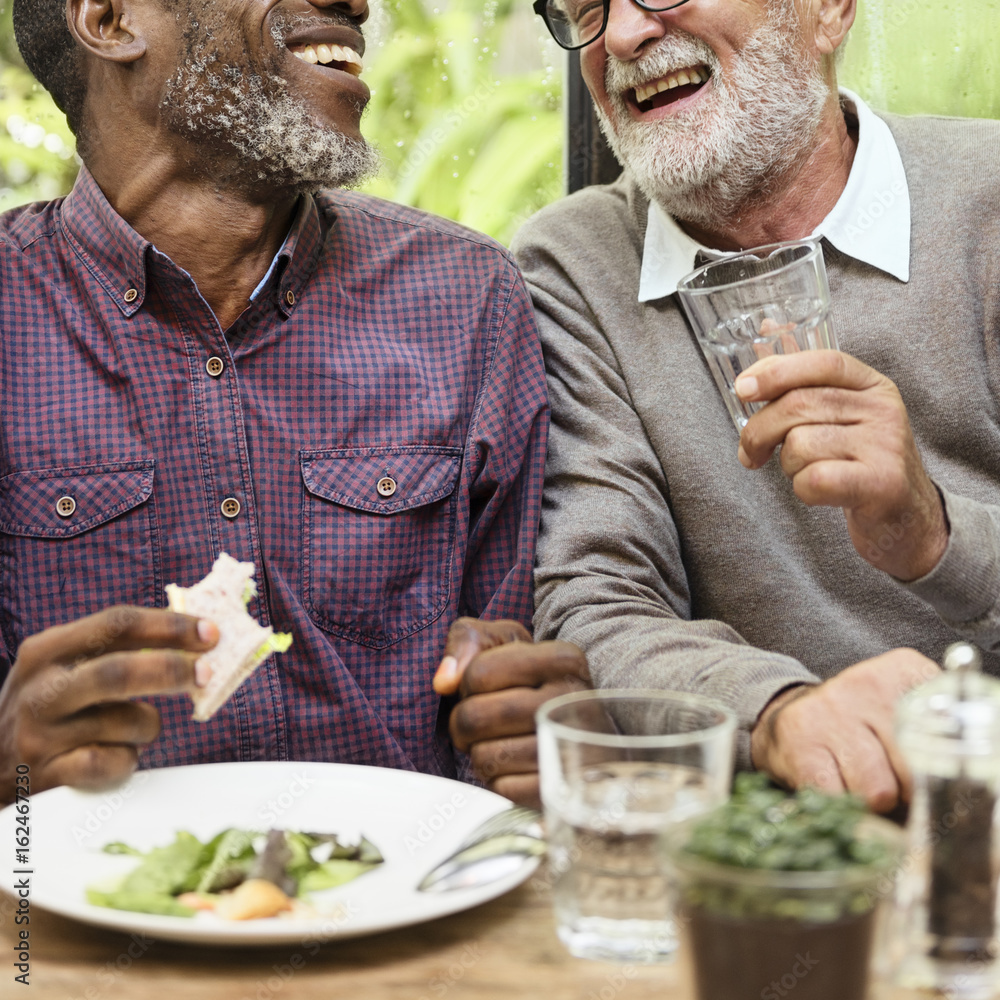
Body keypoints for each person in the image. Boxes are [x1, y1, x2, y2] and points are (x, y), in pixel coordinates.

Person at [0, 0, 588, 808]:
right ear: (109, 19)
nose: (359, 3)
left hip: (410, 908)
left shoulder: (468, 298)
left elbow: (523, 691)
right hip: (63, 921)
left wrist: (529, 721)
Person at [513, 0, 1000, 812]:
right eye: (586, 7)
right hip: (760, 842)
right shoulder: (569, 268)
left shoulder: (988, 206)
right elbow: (591, 601)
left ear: (829, 10)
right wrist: (775, 714)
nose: (624, 36)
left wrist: (935, 533)